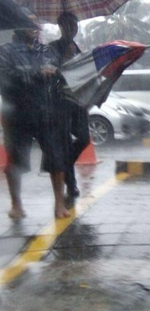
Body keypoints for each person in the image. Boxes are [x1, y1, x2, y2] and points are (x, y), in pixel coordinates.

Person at [0, 9, 70, 219]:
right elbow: (6, 78)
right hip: (17, 115)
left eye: (35, 23)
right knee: (16, 161)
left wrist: (56, 72)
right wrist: (36, 74)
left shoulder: (47, 51)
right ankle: (16, 204)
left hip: (46, 112)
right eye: (27, 23)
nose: (32, 27)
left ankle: (59, 204)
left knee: (56, 158)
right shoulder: (5, 51)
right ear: (17, 26)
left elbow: (59, 72)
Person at [49, 11, 90, 203]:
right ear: (61, 27)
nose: (73, 29)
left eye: (75, 26)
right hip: (60, 102)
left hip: (78, 101)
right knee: (64, 144)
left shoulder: (76, 47)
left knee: (84, 138)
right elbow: (49, 72)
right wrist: (63, 60)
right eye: (69, 26)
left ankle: (64, 167)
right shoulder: (52, 48)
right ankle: (70, 184)